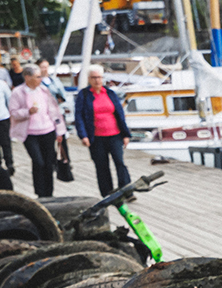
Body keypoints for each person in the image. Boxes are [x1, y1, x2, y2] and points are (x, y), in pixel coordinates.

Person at [7, 64, 66, 197]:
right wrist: (28, 112)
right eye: (37, 77)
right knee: (38, 162)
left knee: (49, 162)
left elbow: (54, 111)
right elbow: (14, 113)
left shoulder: (44, 90)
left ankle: (49, 193)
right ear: (27, 77)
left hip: (48, 130)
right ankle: (40, 192)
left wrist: (60, 130)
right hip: (30, 133)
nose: (40, 79)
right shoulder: (18, 92)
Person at [73, 67, 130, 196]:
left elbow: (120, 114)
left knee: (120, 162)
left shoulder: (110, 93)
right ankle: (107, 193)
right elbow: (79, 116)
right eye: (94, 78)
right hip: (96, 137)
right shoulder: (84, 95)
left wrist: (125, 134)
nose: (97, 80)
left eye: (99, 77)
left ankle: (127, 190)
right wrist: (83, 135)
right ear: (89, 79)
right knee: (102, 166)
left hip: (114, 134)